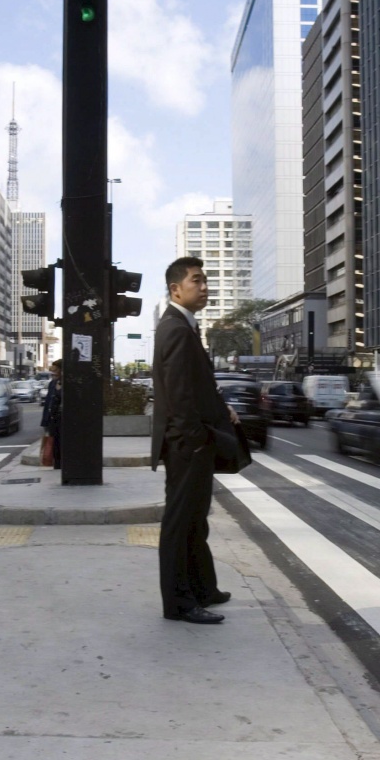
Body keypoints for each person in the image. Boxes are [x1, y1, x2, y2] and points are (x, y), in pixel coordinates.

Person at [151, 257, 239, 625]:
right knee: (180, 523)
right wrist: (197, 438)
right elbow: (179, 395)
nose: (204, 287)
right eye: (197, 281)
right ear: (176, 289)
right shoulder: (174, 329)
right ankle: (179, 603)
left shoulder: (184, 326)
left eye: (206, 281)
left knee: (196, 520)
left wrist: (222, 410)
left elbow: (197, 386)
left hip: (193, 442)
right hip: (187, 445)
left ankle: (203, 588)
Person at [40, 359, 63, 470]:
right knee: (55, 444)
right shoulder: (53, 384)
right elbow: (48, 403)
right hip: (54, 420)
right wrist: (45, 422)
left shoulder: (68, 383)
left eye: (56, 370)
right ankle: (57, 464)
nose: (54, 373)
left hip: (64, 420)